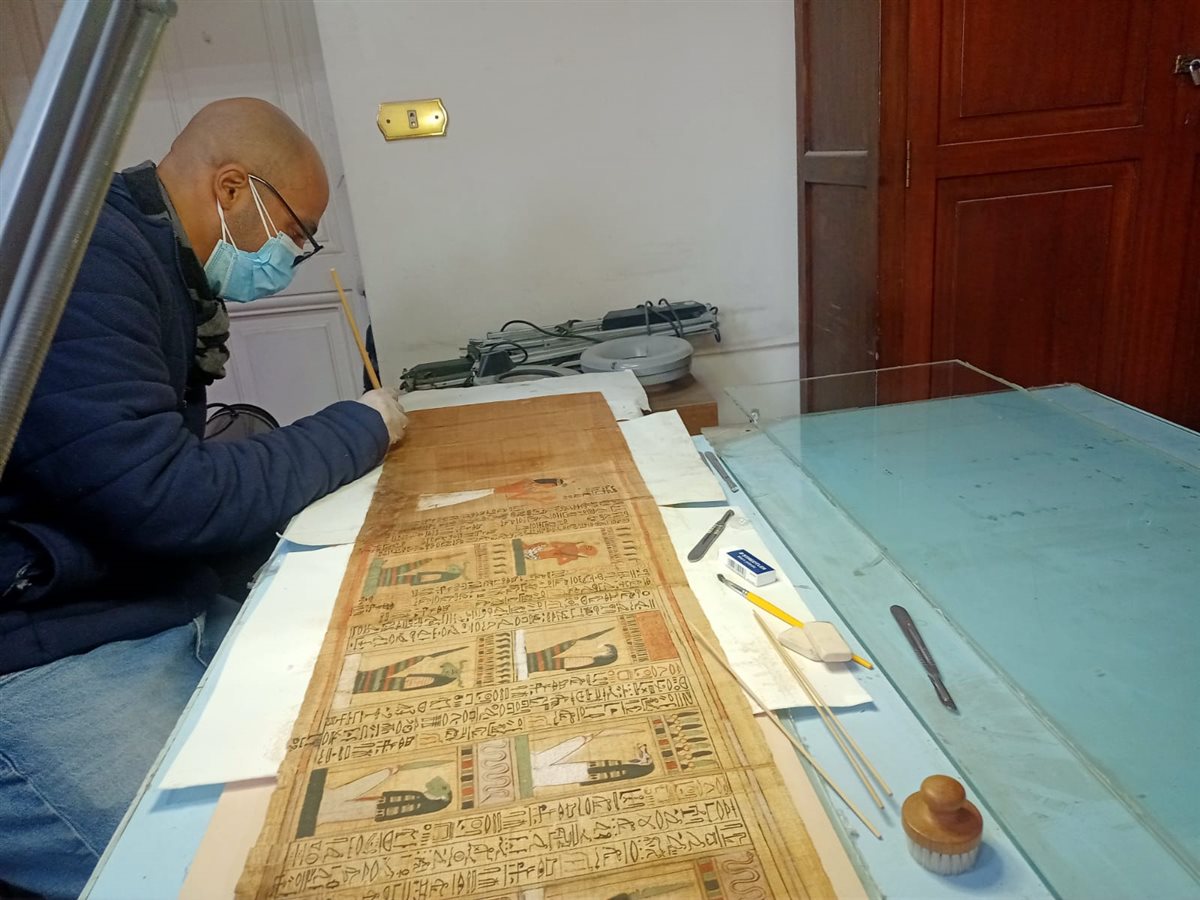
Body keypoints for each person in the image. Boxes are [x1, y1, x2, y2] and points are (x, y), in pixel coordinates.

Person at [0, 98, 407, 897]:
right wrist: (357, 428)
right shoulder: (82, 260)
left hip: (133, 598)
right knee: (234, 871)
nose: (293, 256)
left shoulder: (144, 254)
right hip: (42, 646)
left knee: (352, 749)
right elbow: (163, 495)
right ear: (230, 189)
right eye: (294, 232)